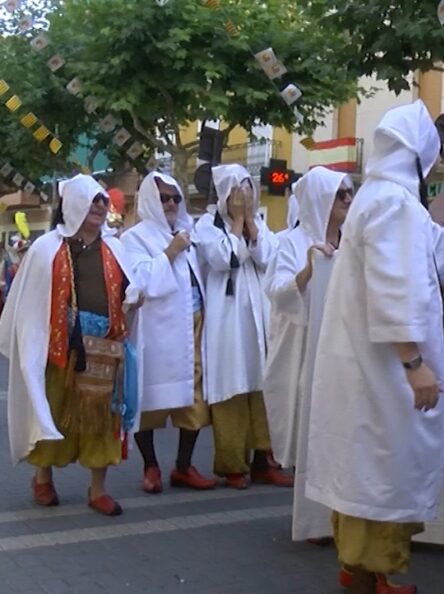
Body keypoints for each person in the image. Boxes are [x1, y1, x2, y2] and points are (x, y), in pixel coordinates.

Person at [304, 100, 444, 594]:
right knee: (385, 469)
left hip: (365, 368)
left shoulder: (380, 199)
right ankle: (375, 574)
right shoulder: (393, 205)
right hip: (383, 369)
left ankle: (358, 568)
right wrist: (414, 363)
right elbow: (392, 289)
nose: (435, 166)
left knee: (366, 467)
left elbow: (433, 240)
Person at [0, 174, 141, 516]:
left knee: (102, 420)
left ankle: (98, 489)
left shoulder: (115, 247)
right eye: (93, 200)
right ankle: (43, 477)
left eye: (103, 201)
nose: (100, 206)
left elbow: (131, 289)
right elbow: (29, 301)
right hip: (59, 347)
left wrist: (134, 299)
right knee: (54, 409)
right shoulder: (45, 248)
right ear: (73, 204)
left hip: (104, 346)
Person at [263, 166, 352, 543]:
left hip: (342, 350)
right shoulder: (291, 242)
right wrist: (308, 271)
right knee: (310, 430)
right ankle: (315, 520)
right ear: (321, 200)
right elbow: (277, 291)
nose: (348, 200)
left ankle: (341, 515)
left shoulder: (353, 240)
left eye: (349, 193)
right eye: (341, 194)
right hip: (302, 351)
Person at [194, 164, 291, 489]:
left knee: (263, 386)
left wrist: (249, 223)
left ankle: (264, 460)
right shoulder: (207, 227)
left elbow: (269, 257)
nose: (245, 196)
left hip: (259, 320)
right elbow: (225, 259)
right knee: (231, 388)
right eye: (238, 191)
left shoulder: (259, 225)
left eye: (249, 188)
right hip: (228, 324)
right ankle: (232, 464)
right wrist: (236, 223)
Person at [122, 172, 217, 493]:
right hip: (157, 330)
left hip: (194, 324)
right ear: (151, 200)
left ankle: (184, 465)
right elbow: (140, 281)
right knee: (149, 397)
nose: (171, 204)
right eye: (164, 198)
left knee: (195, 395)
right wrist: (169, 253)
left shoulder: (189, 232)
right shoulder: (135, 238)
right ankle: (150, 466)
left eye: (176, 198)